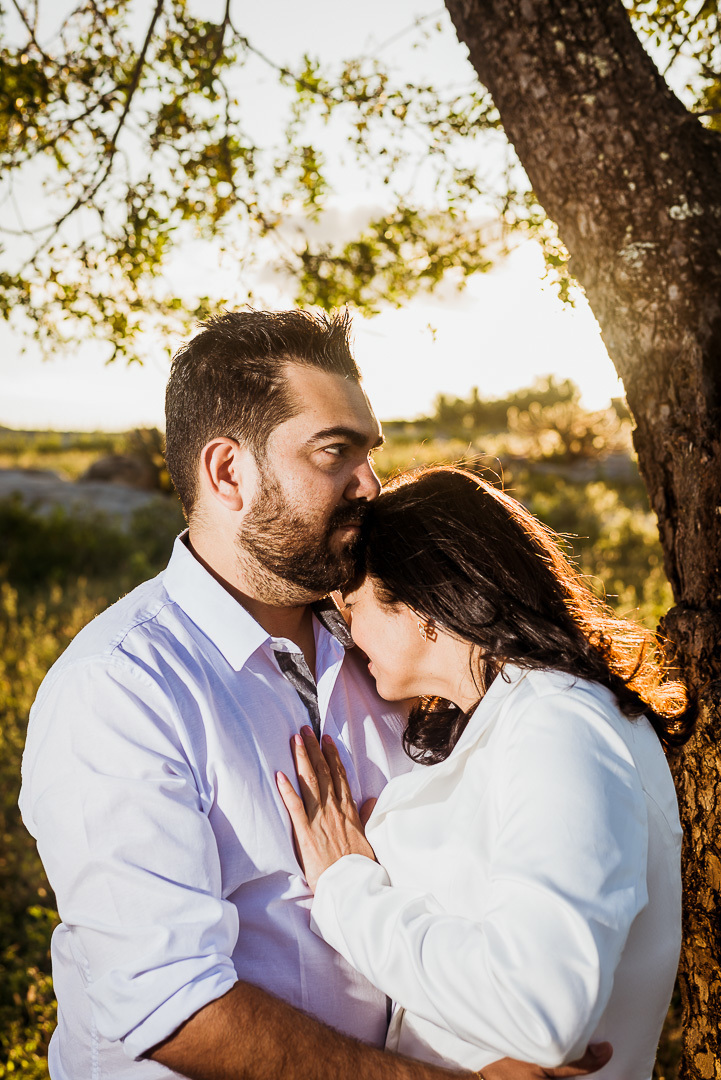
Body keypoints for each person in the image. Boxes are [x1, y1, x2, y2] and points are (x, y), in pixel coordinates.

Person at [19, 311, 611, 1080]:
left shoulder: (388, 650)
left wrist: (511, 1029)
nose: (370, 484)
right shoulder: (121, 689)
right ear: (228, 473)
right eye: (336, 452)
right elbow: (171, 1006)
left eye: (369, 453)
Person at [279, 465, 694, 1079]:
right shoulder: (518, 718)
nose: (348, 636)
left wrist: (347, 890)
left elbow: (540, 1006)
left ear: (421, 605)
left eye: (352, 607)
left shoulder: (560, 721)